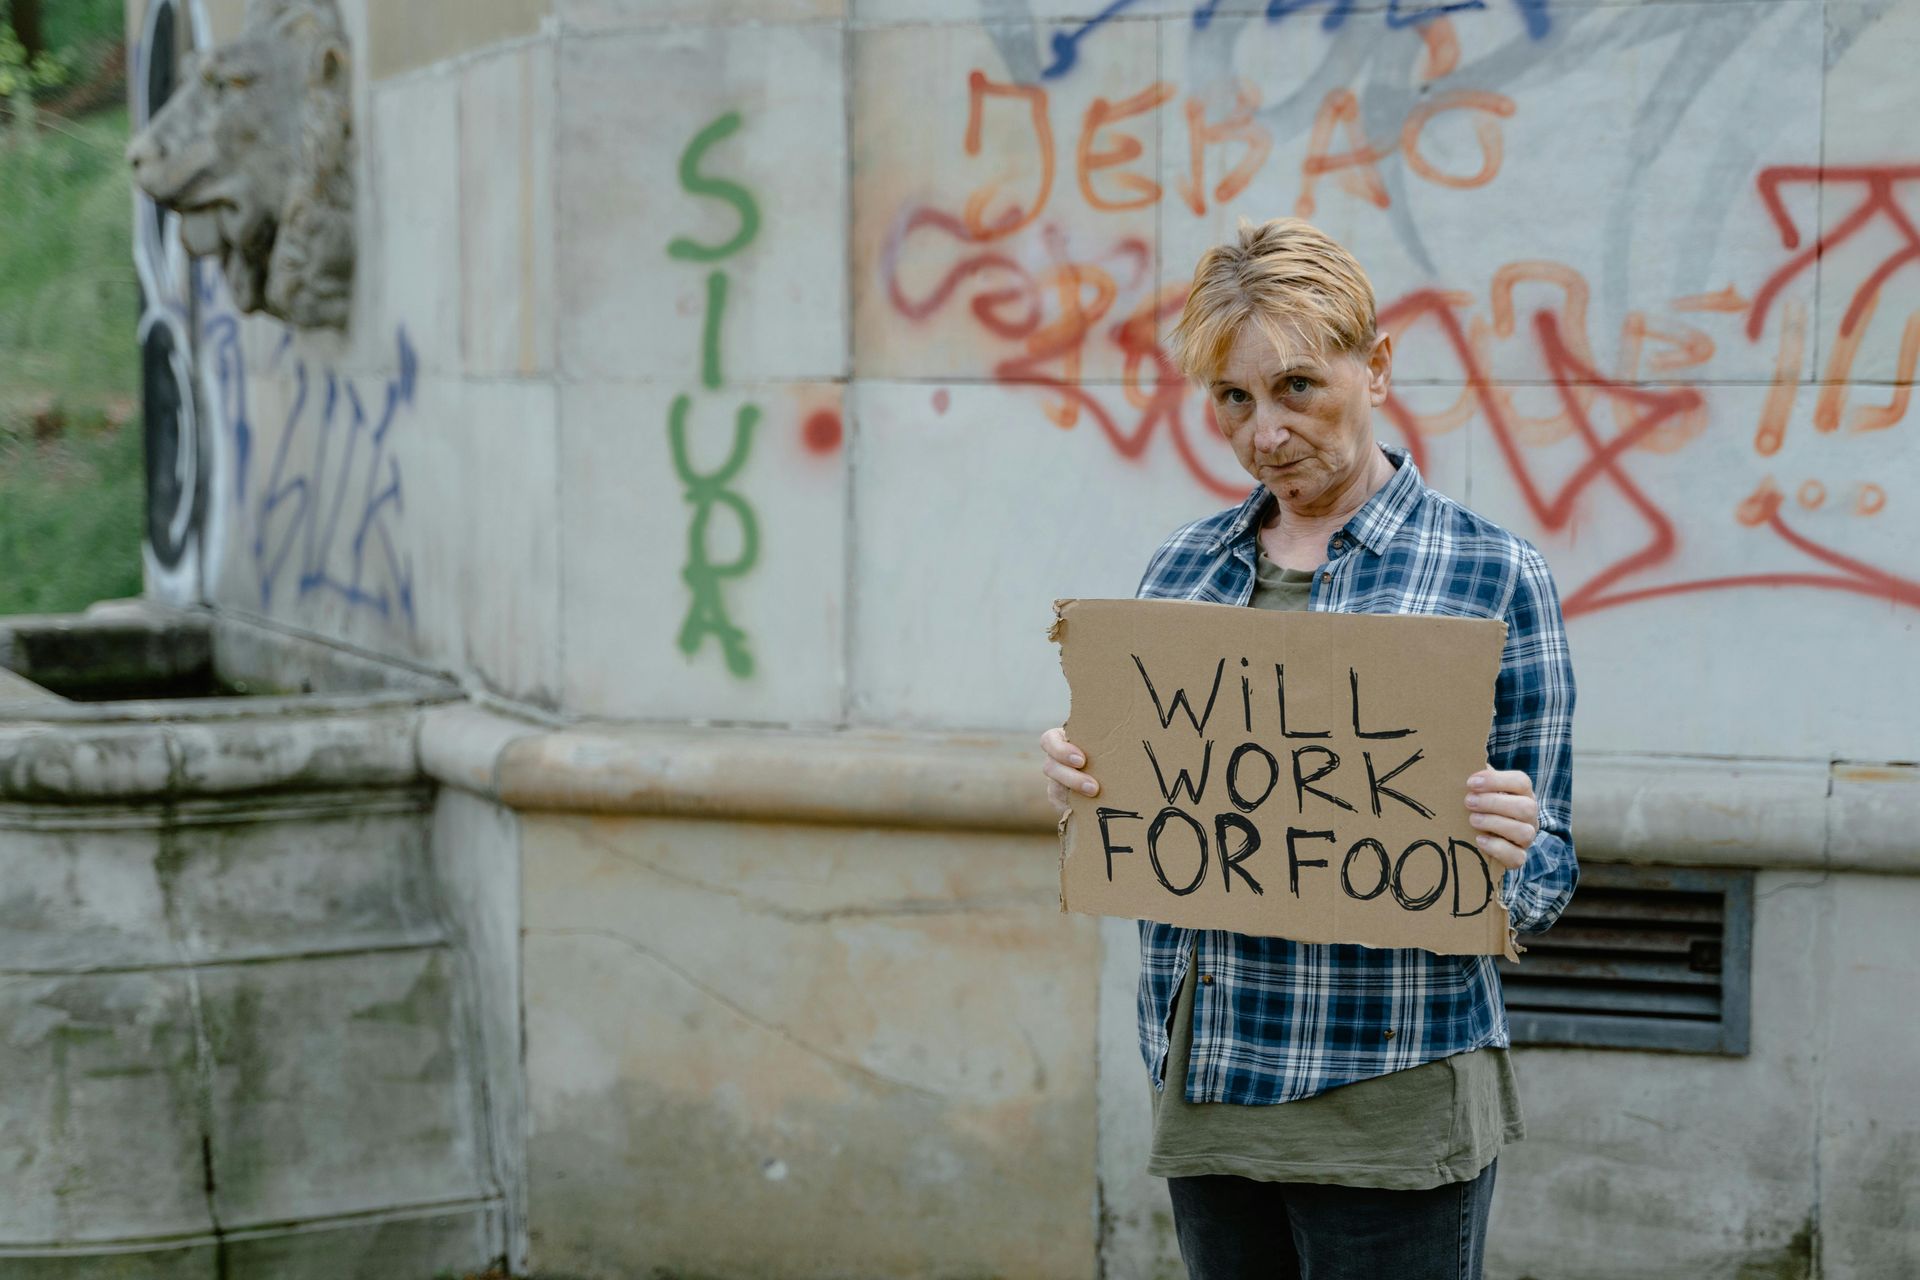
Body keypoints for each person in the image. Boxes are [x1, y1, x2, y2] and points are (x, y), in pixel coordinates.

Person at [1039, 217, 1578, 1280]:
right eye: (1233, 399)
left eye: (1295, 387)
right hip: (1212, 1088)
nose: (1266, 433)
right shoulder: (1184, 568)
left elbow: (1550, 871)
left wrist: (1513, 851)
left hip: (1389, 1097)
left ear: (1375, 366)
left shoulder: (1490, 574)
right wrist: (1080, 785)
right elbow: (1161, 809)